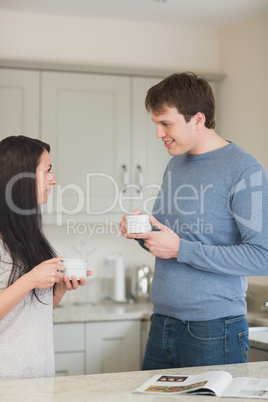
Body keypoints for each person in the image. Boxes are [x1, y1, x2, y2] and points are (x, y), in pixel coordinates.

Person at [120, 72, 268, 369]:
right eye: (156, 124)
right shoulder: (176, 164)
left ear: (198, 119)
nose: (159, 134)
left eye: (166, 123)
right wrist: (143, 232)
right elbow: (168, 241)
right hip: (163, 322)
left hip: (214, 330)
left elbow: (262, 256)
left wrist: (180, 249)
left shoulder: (244, 169)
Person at [0, 135, 92, 380]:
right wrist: (30, 280)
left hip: (37, 377)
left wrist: (58, 289)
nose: (54, 179)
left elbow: (27, 313)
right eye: (47, 170)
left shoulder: (27, 236)